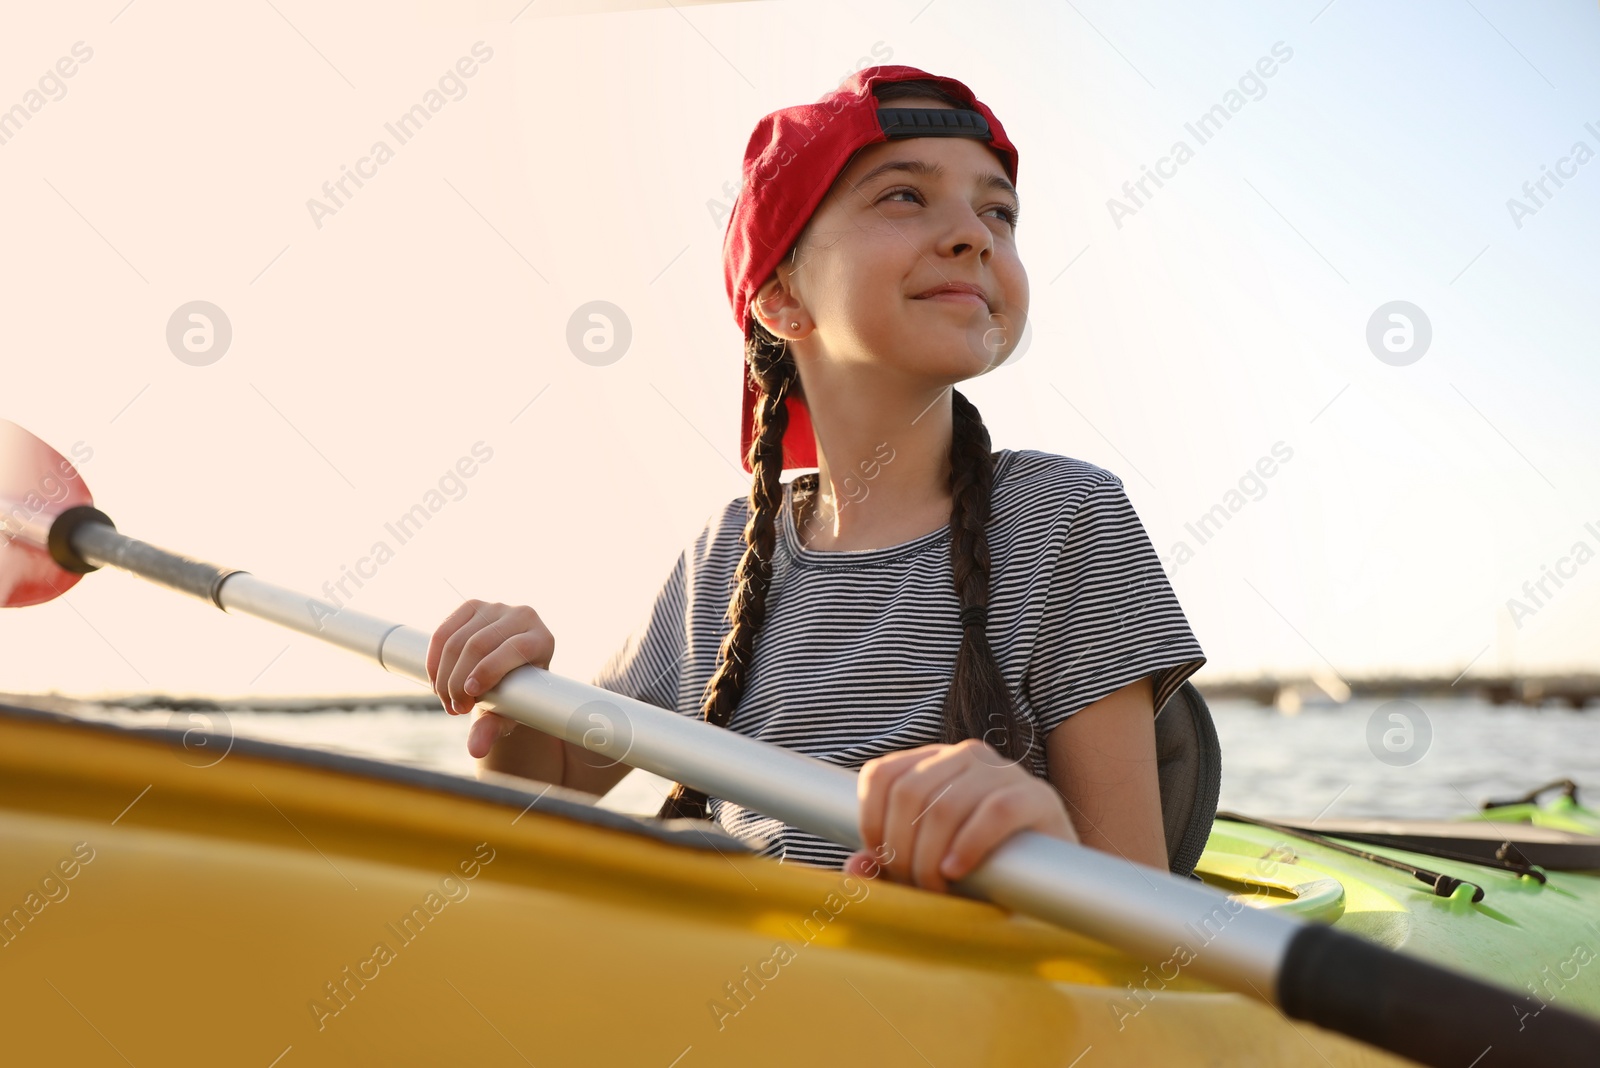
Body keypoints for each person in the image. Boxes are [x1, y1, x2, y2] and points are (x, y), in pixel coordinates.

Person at [427, 66, 1205, 895]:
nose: (973, 235)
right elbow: (527, 822)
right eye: (905, 196)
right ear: (781, 297)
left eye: (998, 211)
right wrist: (513, 693)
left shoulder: (1065, 519)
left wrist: (1036, 835)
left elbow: (1142, 923)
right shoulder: (722, 559)